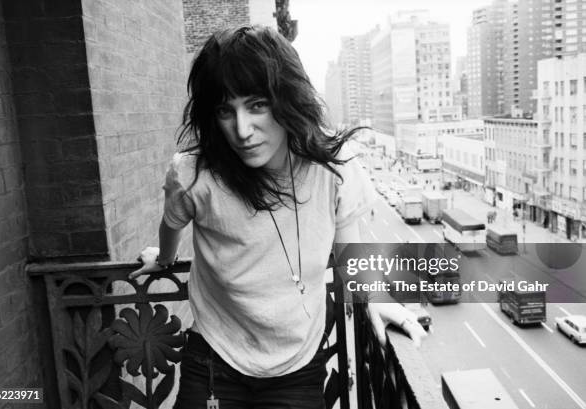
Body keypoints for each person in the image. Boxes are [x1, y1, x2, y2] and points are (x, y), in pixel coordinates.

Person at [129, 25, 426, 409]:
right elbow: (172, 222)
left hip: (297, 369)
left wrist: (376, 299)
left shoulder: (334, 171)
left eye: (257, 105)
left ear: (287, 99)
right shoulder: (194, 175)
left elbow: (350, 255)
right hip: (214, 360)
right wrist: (165, 259)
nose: (242, 130)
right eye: (225, 110)